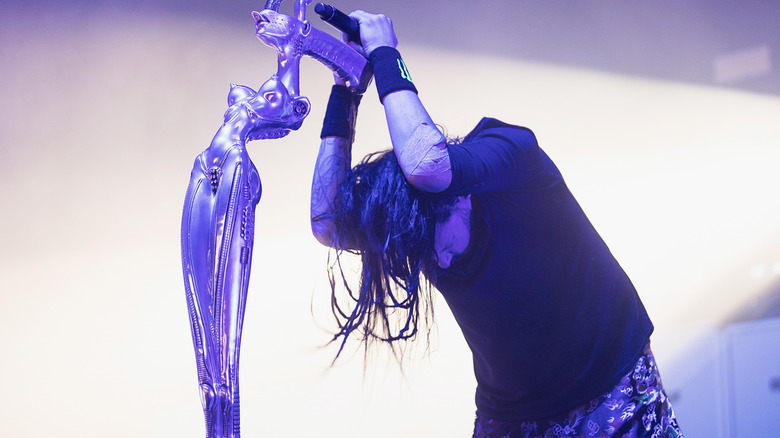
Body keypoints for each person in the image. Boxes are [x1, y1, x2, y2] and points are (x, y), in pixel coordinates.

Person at [309, 10, 684, 438]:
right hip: (510, 415)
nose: (440, 264)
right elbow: (326, 222)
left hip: (610, 389)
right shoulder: (407, 222)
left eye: (439, 246)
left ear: (461, 200)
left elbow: (427, 163)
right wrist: (346, 91)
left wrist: (385, 54)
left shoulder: (512, 155)